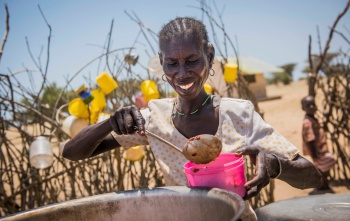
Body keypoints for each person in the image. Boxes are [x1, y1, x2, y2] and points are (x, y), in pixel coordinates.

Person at [63, 17, 322, 220]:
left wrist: (276, 166)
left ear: (209, 56)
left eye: (193, 60)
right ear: (162, 64)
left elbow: (312, 177)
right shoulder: (153, 122)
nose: (183, 73)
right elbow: (72, 152)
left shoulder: (238, 115)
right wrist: (109, 122)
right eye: (172, 64)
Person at [301, 96, 335, 194]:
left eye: (313, 104)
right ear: (303, 108)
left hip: (320, 149)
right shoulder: (307, 122)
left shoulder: (312, 119)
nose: (311, 107)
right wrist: (314, 154)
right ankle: (322, 186)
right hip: (317, 151)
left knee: (323, 168)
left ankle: (324, 185)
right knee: (323, 168)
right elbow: (309, 139)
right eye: (308, 105)